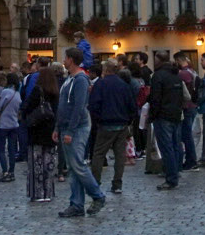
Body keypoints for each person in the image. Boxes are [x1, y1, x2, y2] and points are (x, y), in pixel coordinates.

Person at [55, 46, 106, 218]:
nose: (63, 60)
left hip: (77, 127)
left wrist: (70, 131)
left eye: (65, 58)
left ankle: (97, 195)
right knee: (73, 168)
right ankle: (76, 204)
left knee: (78, 165)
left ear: (71, 59)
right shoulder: (69, 79)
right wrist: (57, 127)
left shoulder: (80, 80)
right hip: (67, 126)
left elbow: (78, 107)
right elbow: (62, 105)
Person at [88, 60, 139, 191]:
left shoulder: (100, 84)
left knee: (98, 154)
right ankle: (117, 183)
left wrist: (97, 120)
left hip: (105, 123)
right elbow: (132, 105)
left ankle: (95, 182)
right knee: (120, 155)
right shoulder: (124, 85)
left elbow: (93, 105)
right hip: (121, 123)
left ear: (105, 70)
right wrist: (128, 120)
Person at [23, 65, 62, 204]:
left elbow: (26, 107)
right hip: (51, 130)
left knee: (36, 163)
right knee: (49, 163)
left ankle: (38, 192)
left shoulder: (37, 90)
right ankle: (48, 191)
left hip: (37, 129)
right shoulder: (56, 93)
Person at [148, 56, 185, 190]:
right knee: (175, 146)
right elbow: (181, 96)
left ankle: (171, 178)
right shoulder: (176, 75)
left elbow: (155, 98)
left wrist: (152, 115)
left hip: (163, 116)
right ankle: (176, 171)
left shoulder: (158, 76)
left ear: (158, 60)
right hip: (175, 114)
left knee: (166, 147)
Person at [0, 73, 22, 183]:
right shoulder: (17, 94)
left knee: (1, 148)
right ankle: (11, 172)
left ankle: (5, 171)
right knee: (12, 149)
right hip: (14, 124)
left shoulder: (5, 92)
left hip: (3, 124)